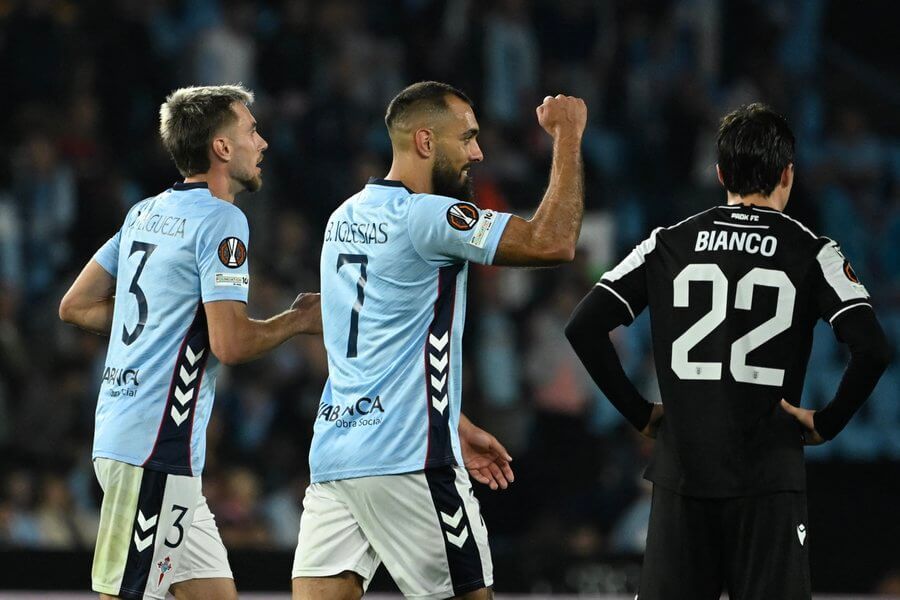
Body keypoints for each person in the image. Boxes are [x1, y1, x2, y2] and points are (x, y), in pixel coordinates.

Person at [565, 103, 890, 599]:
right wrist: (827, 422)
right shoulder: (812, 250)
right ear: (788, 174)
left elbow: (584, 327)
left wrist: (638, 413)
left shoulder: (666, 243)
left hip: (681, 475)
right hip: (767, 476)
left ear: (720, 174)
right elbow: (872, 347)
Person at [292, 81, 587, 599]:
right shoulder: (426, 216)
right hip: (409, 458)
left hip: (338, 458)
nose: (478, 152)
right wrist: (567, 136)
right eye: (467, 138)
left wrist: (456, 420)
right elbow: (554, 242)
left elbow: (368, 347)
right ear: (426, 142)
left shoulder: (344, 218)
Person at [59, 85, 321, 600]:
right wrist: (296, 320)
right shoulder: (224, 220)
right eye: (251, 130)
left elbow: (76, 305)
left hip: (134, 435)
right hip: (156, 447)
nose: (262, 142)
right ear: (222, 148)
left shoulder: (144, 214)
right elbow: (231, 344)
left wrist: (161, 316)